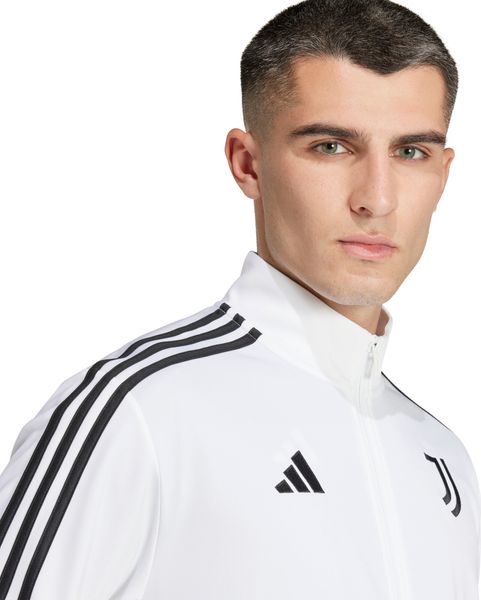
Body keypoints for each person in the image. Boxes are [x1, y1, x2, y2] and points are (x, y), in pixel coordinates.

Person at [0, 0, 479, 598]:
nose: (377, 199)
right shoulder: (137, 412)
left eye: (411, 152)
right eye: (331, 146)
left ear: (443, 174)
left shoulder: (441, 456)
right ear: (247, 164)